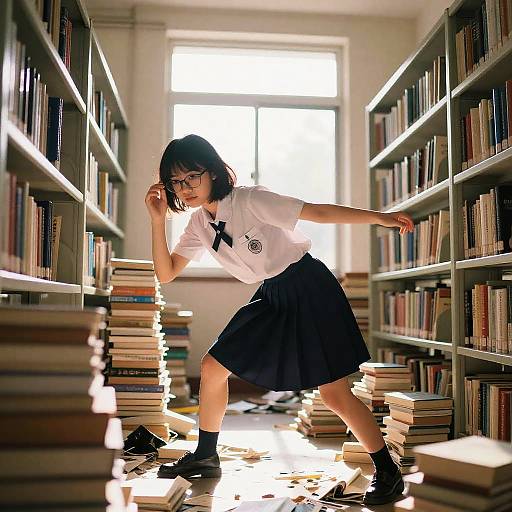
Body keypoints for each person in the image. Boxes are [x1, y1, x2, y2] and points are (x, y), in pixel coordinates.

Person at [144, 134, 414, 505]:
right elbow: (167, 272)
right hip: (272, 294)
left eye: (192, 176)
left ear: (214, 172)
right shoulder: (198, 225)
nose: (185, 188)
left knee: (334, 395)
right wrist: (157, 220)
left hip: (309, 286)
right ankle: (206, 455)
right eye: (176, 182)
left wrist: (379, 218)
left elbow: (317, 212)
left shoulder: (250, 200)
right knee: (212, 366)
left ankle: (387, 471)